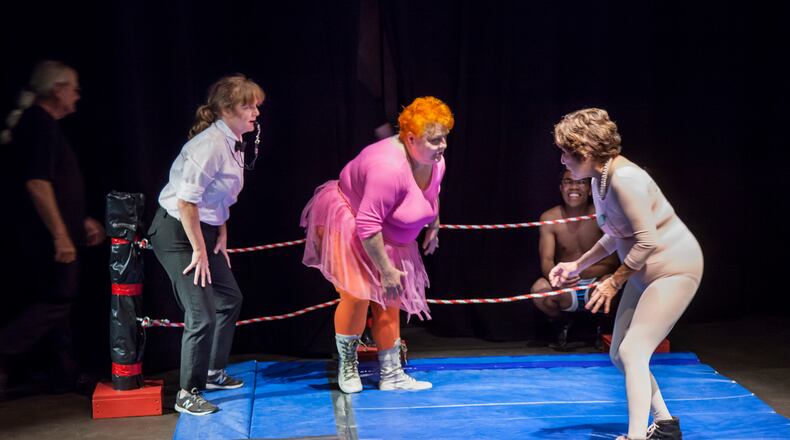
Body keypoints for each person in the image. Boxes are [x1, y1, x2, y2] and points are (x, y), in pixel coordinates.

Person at [548, 108, 703, 440]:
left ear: (585, 152)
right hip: (643, 272)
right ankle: (664, 425)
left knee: (634, 351)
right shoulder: (599, 178)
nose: (562, 160)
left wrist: (614, 281)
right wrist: (577, 266)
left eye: (565, 152)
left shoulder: (625, 178)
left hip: (674, 269)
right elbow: (615, 233)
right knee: (621, 353)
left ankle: (635, 438)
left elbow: (647, 239)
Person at [301, 96, 453, 393]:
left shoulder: (435, 159)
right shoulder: (387, 169)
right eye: (434, 140)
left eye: (445, 137)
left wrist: (433, 221)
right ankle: (348, 365)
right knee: (357, 296)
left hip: (391, 231)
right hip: (352, 221)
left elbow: (433, 191)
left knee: (390, 300)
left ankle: (391, 374)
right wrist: (386, 270)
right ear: (410, 139)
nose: (443, 145)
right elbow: (367, 225)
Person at [147, 74, 264, 415]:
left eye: (256, 105)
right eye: (248, 106)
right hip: (177, 233)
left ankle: (212, 372)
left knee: (229, 299)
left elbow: (216, 196)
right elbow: (186, 202)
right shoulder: (209, 145)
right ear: (227, 110)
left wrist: (221, 232)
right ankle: (187, 393)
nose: (255, 112)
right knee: (201, 314)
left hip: (203, 230)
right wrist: (199, 248)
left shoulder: (233, 142)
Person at [0, 60, 105, 397]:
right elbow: (37, 183)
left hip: (58, 231)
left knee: (62, 304)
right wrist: (61, 234)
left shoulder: (44, 125)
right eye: (72, 87)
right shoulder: (38, 124)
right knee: (56, 299)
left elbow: (58, 183)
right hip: (44, 237)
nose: (77, 94)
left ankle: (65, 371)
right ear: (57, 89)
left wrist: (80, 221)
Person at [531, 170, 619, 349]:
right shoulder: (549, 218)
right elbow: (546, 261)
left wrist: (582, 270)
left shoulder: (601, 215)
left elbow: (614, 262)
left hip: (595, 282)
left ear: (589, 189)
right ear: (561, 188)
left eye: (580, 182)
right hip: (566, 284)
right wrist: (560, 278)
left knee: (614, 282)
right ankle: (563, 324)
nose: (574, 187)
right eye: (568, 181)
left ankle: (602, 328)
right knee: (539, 290)